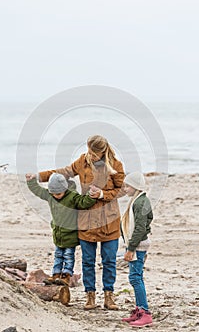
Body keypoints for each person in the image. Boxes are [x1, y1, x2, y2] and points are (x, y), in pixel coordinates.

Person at [38, 135, 125, 310]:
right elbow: (65, 171)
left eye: (94, 154)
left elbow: (121, 189)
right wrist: (41, 176)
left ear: (103, 151)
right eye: (89, 151)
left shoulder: (115, 165)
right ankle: (90, 296)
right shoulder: (83, 161)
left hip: (110, 220)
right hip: (86, 220)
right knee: (87, 261)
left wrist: (102, 195)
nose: (90, 156)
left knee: (109, 261)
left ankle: (109, 297)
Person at [26, 172, 96, 286]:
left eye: (58, 193)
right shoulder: (50, 195)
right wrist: (31, 181)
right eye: (53, 193)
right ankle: (56, 274)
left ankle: (66, 276)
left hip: (70, 234)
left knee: (68, 256)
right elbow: (38, 191)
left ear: (65, 189)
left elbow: (84, 202)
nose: (56, 196)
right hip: (58, 234)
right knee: (58, 255)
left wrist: (91, 195)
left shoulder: (72, 197)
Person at [121, 172, 153, 327]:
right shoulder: (140, 200)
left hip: (138, 245)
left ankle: (145, 312)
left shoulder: (140, 203)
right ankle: (139, 309)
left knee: (135, 277)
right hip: (138, 244)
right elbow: (149, 219)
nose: (125, 189)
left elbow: (140, 228)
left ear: (135, 186)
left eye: (127, 186)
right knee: (136, 276)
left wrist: (130, 248)